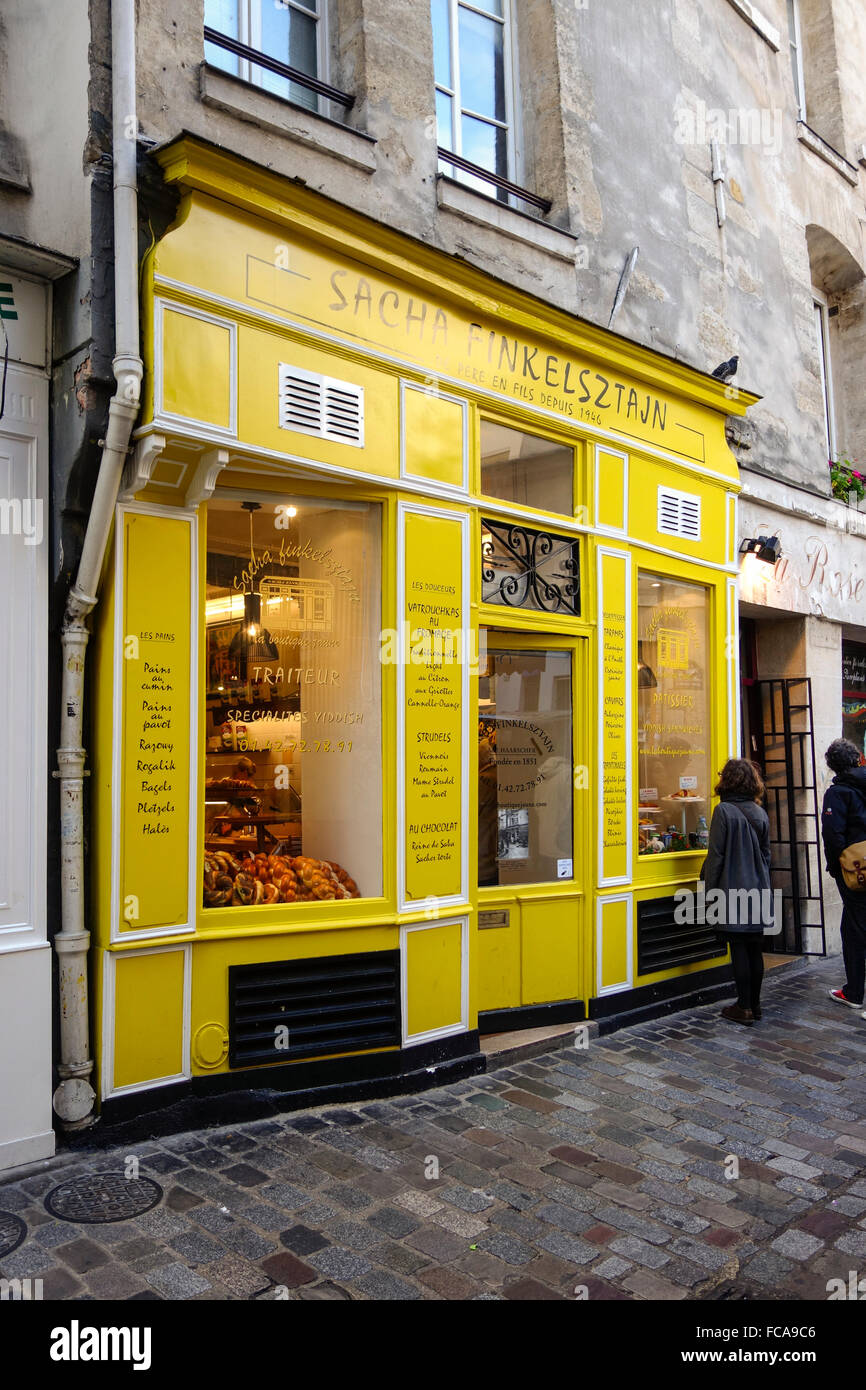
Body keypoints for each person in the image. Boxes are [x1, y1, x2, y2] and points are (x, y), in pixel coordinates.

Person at [703, 758, 773, 1026]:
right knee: (755, 947)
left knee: (738, 947)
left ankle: (742, 1006)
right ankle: (755, 1005)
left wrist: (710, 893)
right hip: (758, 887)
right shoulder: (760, 812)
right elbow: (767, 855)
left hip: (732, 887)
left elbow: (716, 856)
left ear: (727, 780)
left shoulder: (724, 811)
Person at [821, 738, 866, 1018]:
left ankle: (854, 992)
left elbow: (832, 834)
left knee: (855, 930)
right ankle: (853, 990)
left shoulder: (838, 793)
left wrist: (840, 865)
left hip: (856, 870)